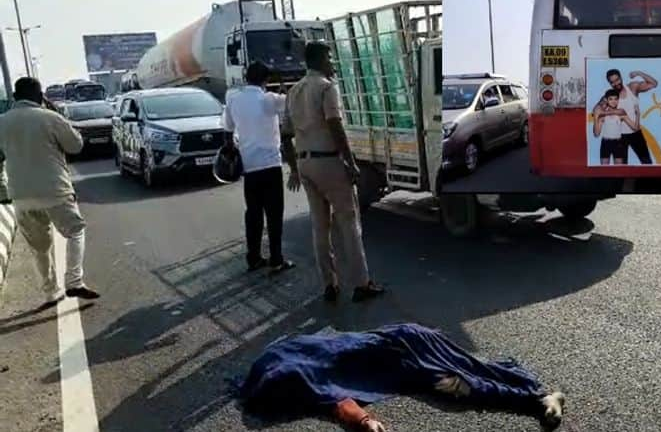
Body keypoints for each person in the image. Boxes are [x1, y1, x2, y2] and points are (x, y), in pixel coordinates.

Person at [236, 323, 566, 432]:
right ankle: (536, 394)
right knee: (466, 369)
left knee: (459, 383)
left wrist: (366, 422)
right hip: (400, 338)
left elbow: (337, 402)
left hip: (403, 352)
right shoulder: (277, 356)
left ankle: (536, 397)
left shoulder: (293, 375)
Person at [282, 41, 384, 303]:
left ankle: (329, 284)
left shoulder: (293, 91)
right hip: (328, 162)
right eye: (329, 58)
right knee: (349, 223)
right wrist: (350, 162)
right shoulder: (327, 88)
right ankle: (361, 284)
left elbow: (285, 136)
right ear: (318, 60)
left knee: (320, 226)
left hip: (305, 164)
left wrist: (294, 168)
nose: (332, 63)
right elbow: (335, 125)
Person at [0, 77, 100, 309]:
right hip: (55, 191)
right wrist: (56, 112)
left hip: (21, 195)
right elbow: (76, 145)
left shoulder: (2, 122)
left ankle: (50, 293)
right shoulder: (50, 117)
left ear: (15, 97)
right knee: (75, 231)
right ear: (40, 96)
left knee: (39, 248)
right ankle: (74, 280)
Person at [222, 62, 296, 274]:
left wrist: (233, 150)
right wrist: (283, 86)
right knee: (274, 215)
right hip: (270, 164)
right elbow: (291, 102)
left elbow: (227, 130)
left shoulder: (233, 99)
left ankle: (253, 257)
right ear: (265, 80)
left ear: (246, 77)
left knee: (253, 214)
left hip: (249, 165)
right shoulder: (268, 99)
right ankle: (276, 259)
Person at [593, 69, 658, 164]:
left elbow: (654, 84)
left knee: (646, 162)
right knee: (623, 169)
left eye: (617, 79)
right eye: (612, 82)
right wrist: (616, 112)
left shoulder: (632, 87)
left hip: (636, 133)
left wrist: (639, 73)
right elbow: (595, 111)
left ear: (621, 77)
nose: (616, 83)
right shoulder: (609, 97)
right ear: (610, 83)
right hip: (620, 136)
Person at [593, 89, 637, 166]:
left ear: (618, 100)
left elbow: (635, 128)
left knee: (619, 171)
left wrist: (638, 115)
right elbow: (596, 134)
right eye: (611, 99)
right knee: (604, 170)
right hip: (605, 143)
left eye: (616, 99)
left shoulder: (621, 112)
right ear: (607, 100)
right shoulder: (602, 114)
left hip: (618, 143)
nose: (613, 101)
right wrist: (596, 117)